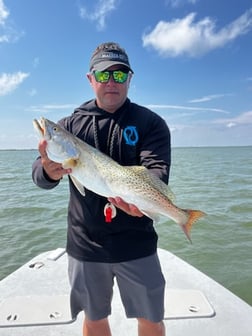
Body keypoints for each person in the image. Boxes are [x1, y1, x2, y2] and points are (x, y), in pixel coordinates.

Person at [32, 42, 171, 336]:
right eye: (103, 74)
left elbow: (157, 170)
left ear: (130, 78)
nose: (111, 81)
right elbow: (39, 175)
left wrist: (144, 203)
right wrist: (47, 170)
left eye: (119, 75)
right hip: (86, 244)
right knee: (94, 319)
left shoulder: (150, 123)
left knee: (151, 318)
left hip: (138, 240)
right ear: (90, 78)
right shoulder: (69, 126)